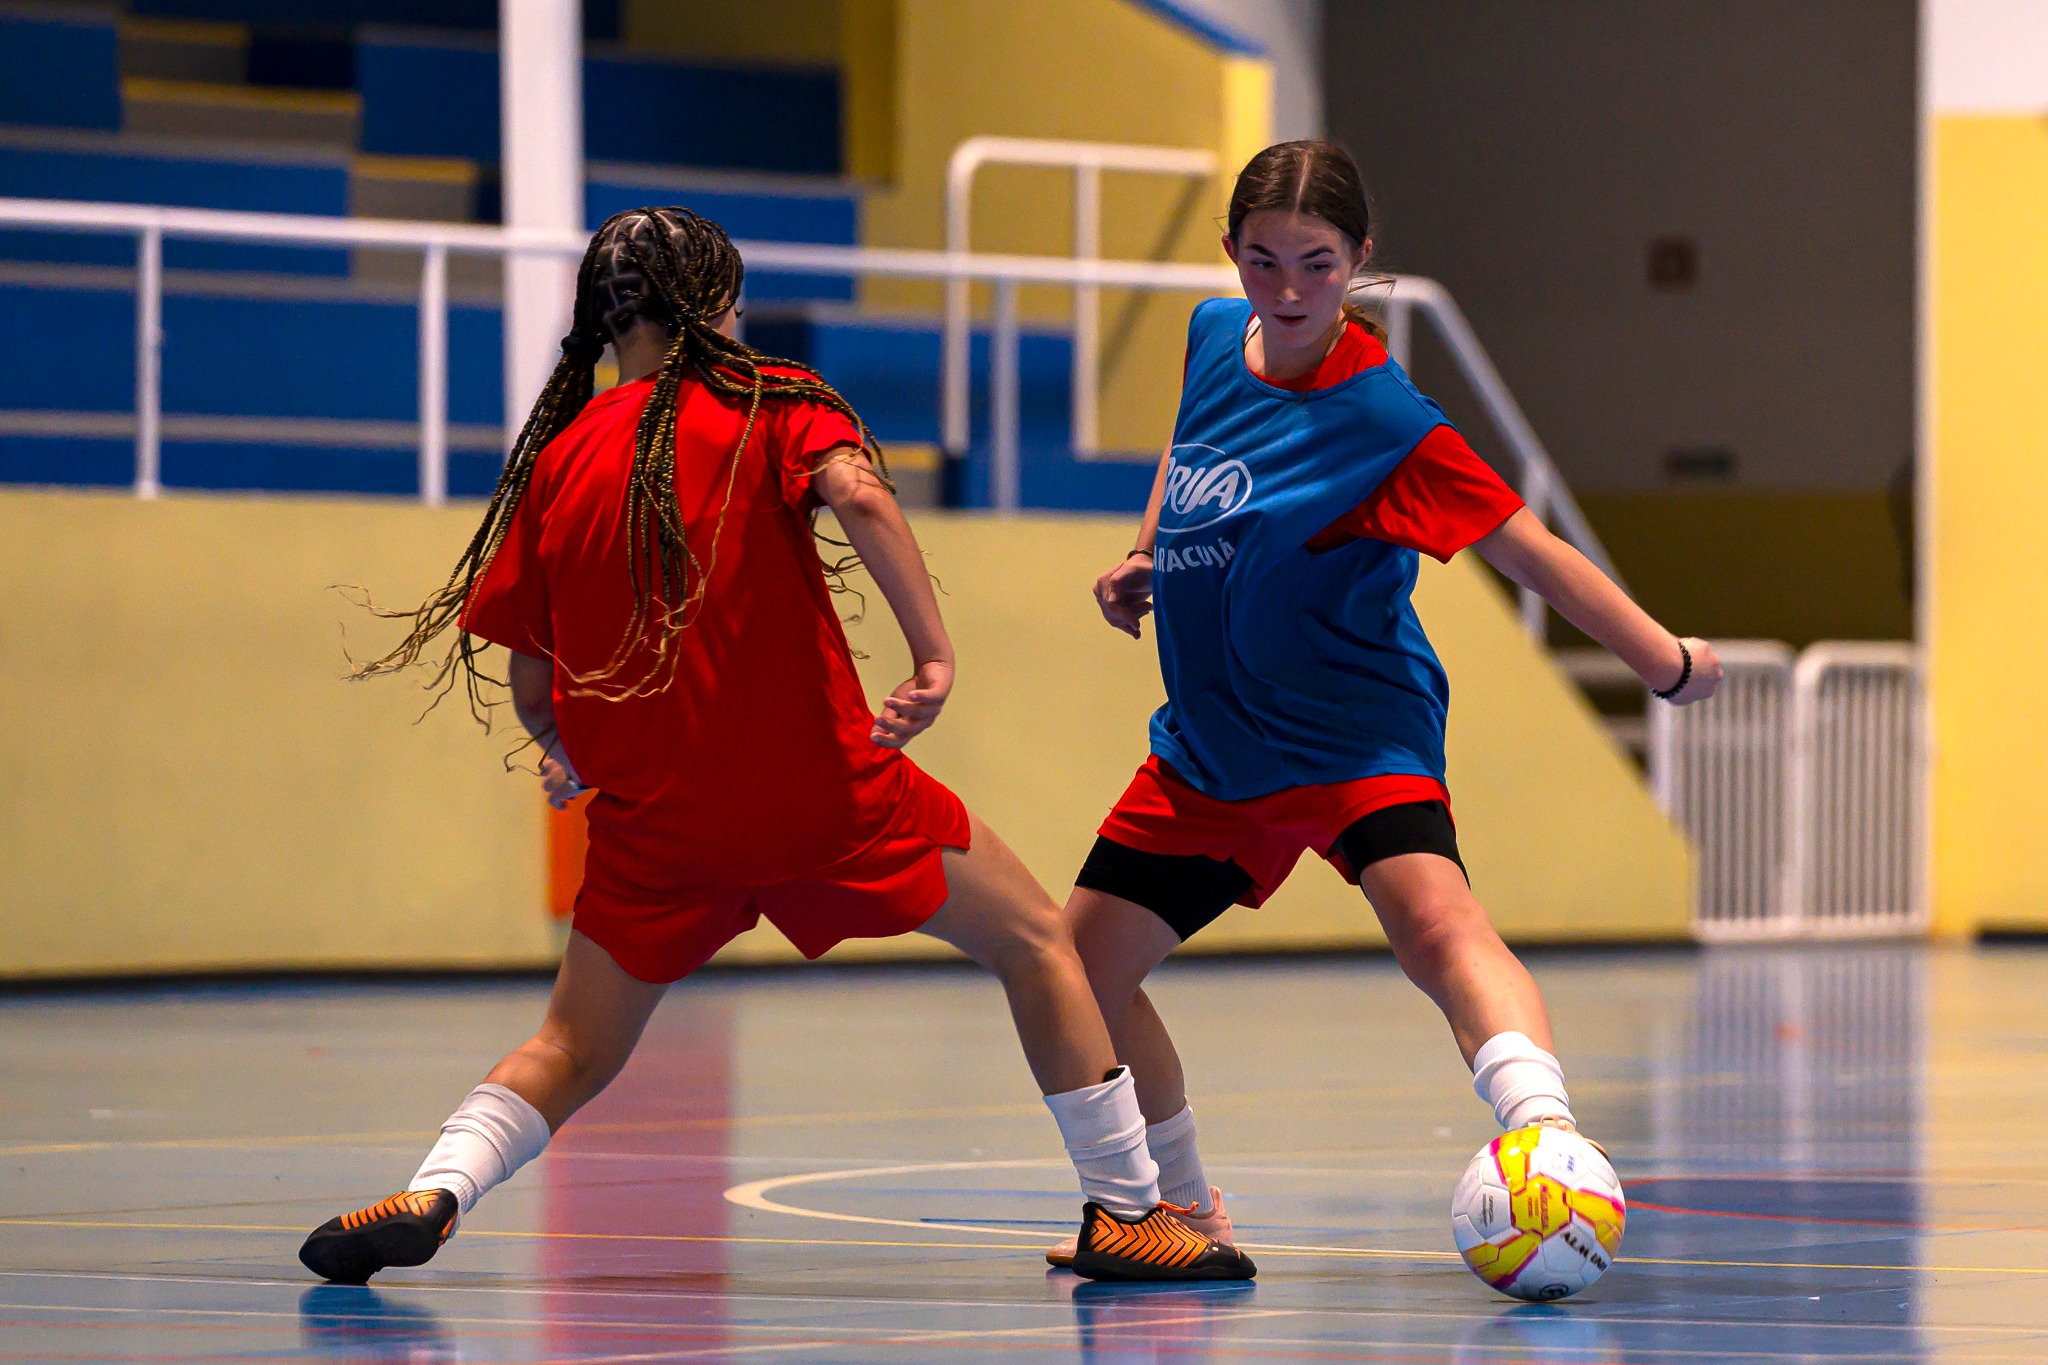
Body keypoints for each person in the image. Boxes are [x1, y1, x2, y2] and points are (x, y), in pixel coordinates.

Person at [298, 208, 1252, 1286]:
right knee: (1038, 944)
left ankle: (437, 1187)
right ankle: (1127, 1211)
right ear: (714, 305)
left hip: (654, 824)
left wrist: (559, 745)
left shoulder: (560, 455)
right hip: (826, 796)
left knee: (570, 1045)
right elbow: (857, 492)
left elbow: (530, 683)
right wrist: (930, 654)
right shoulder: (774, 399)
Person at [1045, 143, 1723, 1266]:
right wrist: (1145, 552)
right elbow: (1188, 444)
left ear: (1358, 260)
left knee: (1434, 926)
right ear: (1230, 253)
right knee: (1079, 972)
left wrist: (1665, 663)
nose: (1289, 291)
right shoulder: (1216, 335)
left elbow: (1533, 552)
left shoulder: (1384, 419)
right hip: (1212, 748)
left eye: (1317, 264)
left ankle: (1546, 1144)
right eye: (1262, 262)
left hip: (1350, 732)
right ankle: (1179, 1213)